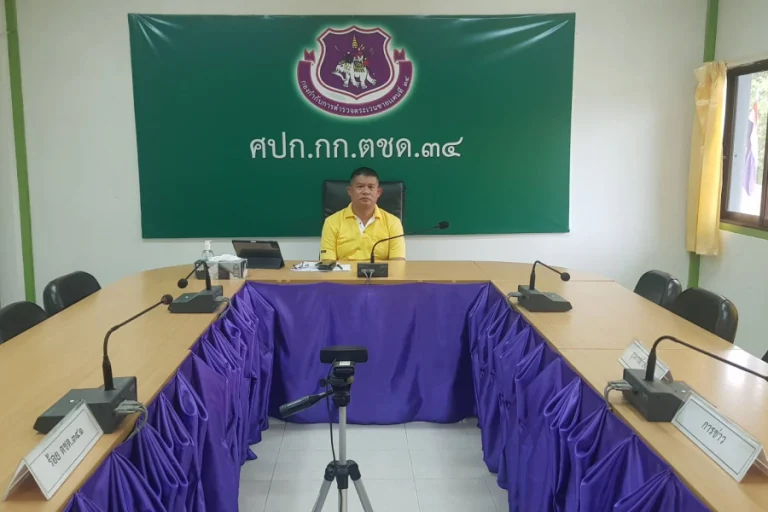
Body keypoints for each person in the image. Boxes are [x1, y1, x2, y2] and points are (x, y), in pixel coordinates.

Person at [320, 167, 405, 261]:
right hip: (344, 271)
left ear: (378, 193)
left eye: (371, 187)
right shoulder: (331, 222)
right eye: (360, 187)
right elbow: (327, 263)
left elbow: (398, 264)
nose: (366, 192)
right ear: (350, 191)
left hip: (380, 271)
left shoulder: (393, 223)